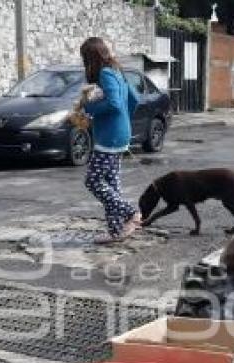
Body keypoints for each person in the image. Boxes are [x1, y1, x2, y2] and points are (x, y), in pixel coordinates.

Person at [79, 37, 141, 244]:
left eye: (85, 59)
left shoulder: (105, 73)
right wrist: (123, 121)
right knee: (111, 184)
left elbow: (114, 104)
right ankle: (116, 232)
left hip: (109, 137)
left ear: (91, 58)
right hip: (120, 132)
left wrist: (89, 109)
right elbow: (134, 99)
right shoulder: (117, 71)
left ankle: (131, 212)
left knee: (94, 181)